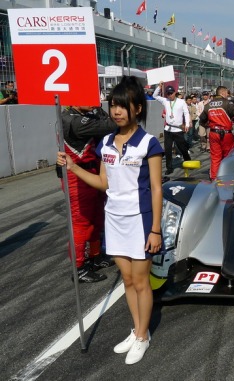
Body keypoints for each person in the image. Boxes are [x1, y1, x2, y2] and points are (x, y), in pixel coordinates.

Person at [57, 76, 163, 365]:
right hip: (114, 221)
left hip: (141, 222)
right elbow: (104, 183)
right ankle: (137, 329)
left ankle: (142, 336)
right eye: (113, 105)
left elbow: (156, 188)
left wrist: (155, 229)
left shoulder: (149, 143)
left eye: (122, 106)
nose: (116, 111)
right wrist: (73, 168)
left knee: (142, 282)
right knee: (127, 281)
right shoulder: (104, 142)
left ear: (138, 109)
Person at [59, 105, 118, 283]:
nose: (94, 102)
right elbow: (110, 125)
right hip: (76, 177)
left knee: (96, 219)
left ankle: (95, 256)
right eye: (88, 97)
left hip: (94, 174)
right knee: (80, 223)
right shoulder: (71, 119)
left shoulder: (85, 114)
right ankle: (79, 268)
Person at [199, 85, 234, 180]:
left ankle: (214, 178)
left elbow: (202, 118)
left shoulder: (208, 105)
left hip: (213, 133)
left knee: (215, 157)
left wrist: (208, 124)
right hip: (226, 134)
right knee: (228, 156)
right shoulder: (226, 103)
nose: (227, 95)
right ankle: (227, 176)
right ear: (222, 93)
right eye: (227, 93)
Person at [153, 82, 191, 175]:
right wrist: (159, 87)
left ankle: (188, 161)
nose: (170, 95)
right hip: (168, 129)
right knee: (168, 149)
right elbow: (154, 95)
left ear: (175, 92)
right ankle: (169, 168)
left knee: (183, 148)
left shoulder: (181, 102)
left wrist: (187, 125)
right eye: (168, 94)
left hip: (178, 130)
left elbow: (186, 113)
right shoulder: (165, 101)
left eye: (171, 93)